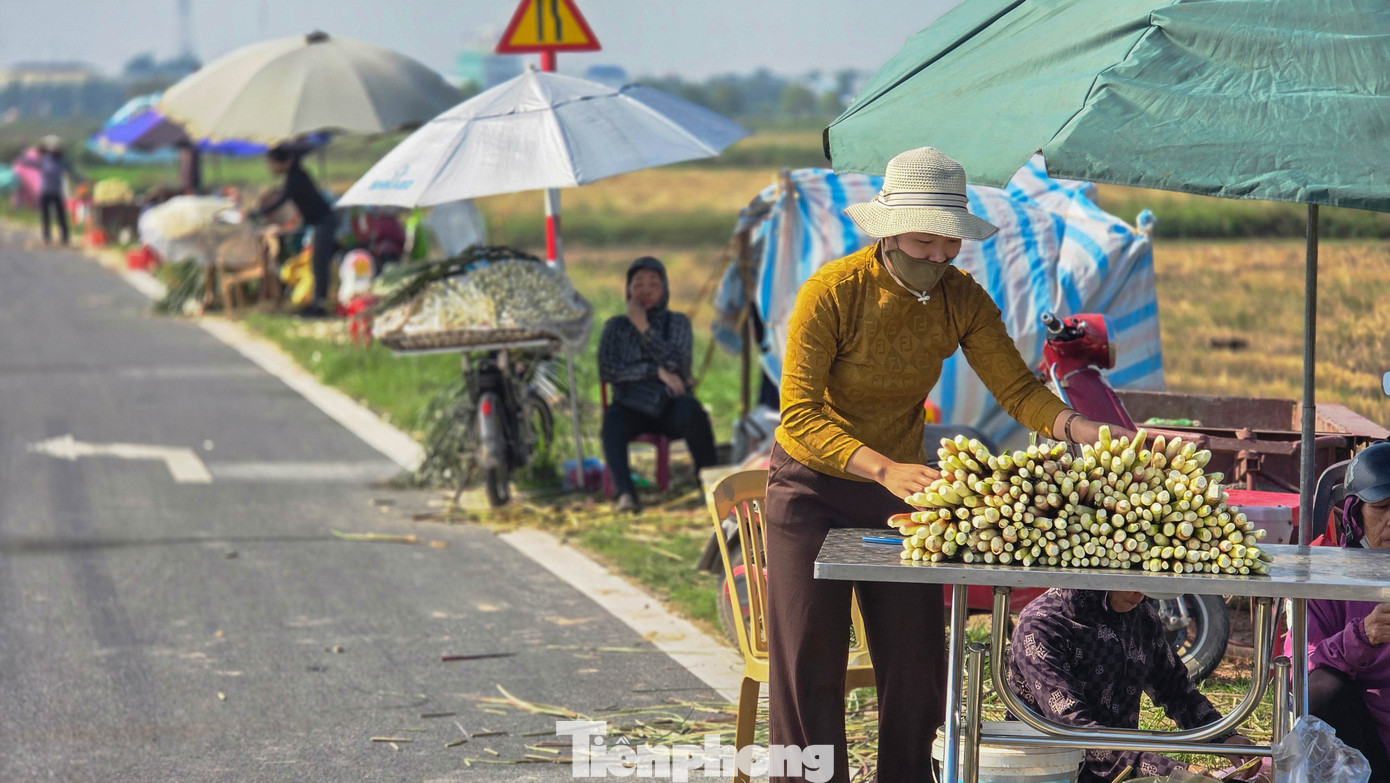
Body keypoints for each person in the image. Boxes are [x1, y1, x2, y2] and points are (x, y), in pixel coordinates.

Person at [765, 146, 1130, 783]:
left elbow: (1017, 390)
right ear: (886, 230)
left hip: (894, 493)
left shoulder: (962, 299)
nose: (937, 254)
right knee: (809, 666)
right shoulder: (832, 294)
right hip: (812, 490)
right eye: (923, 239)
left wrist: (1082, 427)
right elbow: (797, 417)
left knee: (916, 667)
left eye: (949, 241)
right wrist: (882, 469)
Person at [1008, 588, 1258, 782]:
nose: (1139, 594)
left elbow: (1174, 688)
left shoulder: (1140, 615)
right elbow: (1074, 731)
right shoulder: (1042, 626)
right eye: (1130, 582)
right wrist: (1175, 772)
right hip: (1048, 771)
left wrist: (1224, 737)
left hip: (1123, 769)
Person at [1296, 441, 1390, 782]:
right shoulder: (1326, 579)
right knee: (1325, 688)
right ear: (1355, 513)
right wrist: (1362, 636)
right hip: (1361, 751)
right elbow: (1303, 680)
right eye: (1382, 507)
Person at [598, 256, 718, 514]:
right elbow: (608, 370)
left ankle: (713, 487)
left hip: (668, 407)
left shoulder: (678, 323)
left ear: (664, 289)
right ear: (628, 290)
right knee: (612, 423)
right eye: (638, 284)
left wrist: (643, 327)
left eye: (653, 284)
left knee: (693, 411)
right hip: (630, 406)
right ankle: (626, 494)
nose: (645, 291)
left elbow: (677, 364)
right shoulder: (615, 327)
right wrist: (654, 371)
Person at [248, 144, 336, 317]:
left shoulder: (295, 177)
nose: (270, 168)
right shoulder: (295, 175)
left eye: (272, 163)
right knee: (316, 265)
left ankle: (320, 306)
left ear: (283, 163)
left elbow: (280, 201)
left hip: (324, 222)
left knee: (320, 265)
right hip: (319, 222)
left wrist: (256, 213)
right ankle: (317, 303)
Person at [34, 136, 81, 246]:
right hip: (46, 191)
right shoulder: (43, 160)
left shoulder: (62, 161)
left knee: (60, 216)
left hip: (56, 192)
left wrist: (82, 180)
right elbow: (34, 155)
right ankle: (47, 237)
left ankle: (64, 237)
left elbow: (73, 174)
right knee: (46, 216)